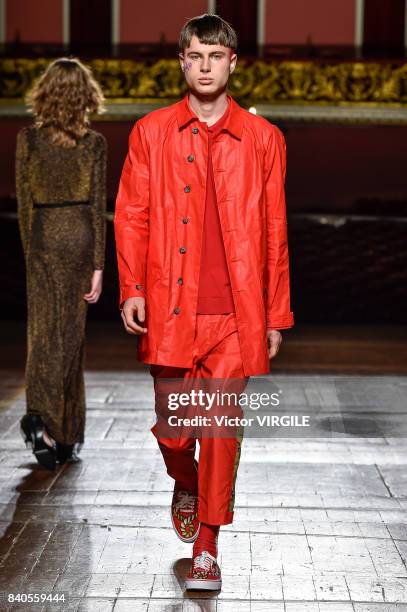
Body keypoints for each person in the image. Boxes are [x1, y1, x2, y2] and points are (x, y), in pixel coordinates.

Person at [114, 14, 294, 590]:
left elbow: (275, 229)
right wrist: (132, 287)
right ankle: (185, 481)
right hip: (170, 304)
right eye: (197, 56)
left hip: (234, 314)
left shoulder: (264, 140)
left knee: (218, 427)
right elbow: (133, 216)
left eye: (217, 56)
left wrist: (275, 313)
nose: (207, 66)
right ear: (183, 62)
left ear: (233, 62)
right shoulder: (150, 133)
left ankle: (209, 545)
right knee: (174, 430)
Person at [16, 58, 107, 470]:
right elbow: (97, 207)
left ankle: (43, 420)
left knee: (43, 335)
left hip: (43, 237)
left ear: (47, 93)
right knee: (72, 337)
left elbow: (24, 206)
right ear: (84, 95)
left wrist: (30, 251)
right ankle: (66, 432)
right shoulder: (94, 144)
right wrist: (99, 264)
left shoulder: (28, 141)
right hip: (80, 238)